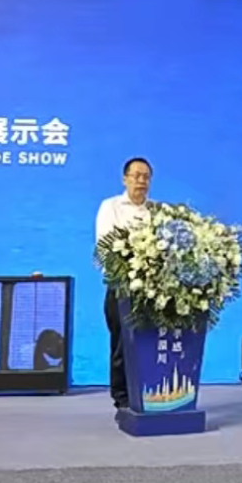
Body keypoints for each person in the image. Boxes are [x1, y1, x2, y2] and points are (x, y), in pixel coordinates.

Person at [95, 157, 153, 409]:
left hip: (152, 289)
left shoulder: (157, 211)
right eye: (136, 176)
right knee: (122, 342)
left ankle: (150, 392)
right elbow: (106, 245)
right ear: (125, 179)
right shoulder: (111, 207)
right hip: (122, 286)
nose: (141, 181)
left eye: (146, 177)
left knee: (149, 341)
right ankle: (122, 397)